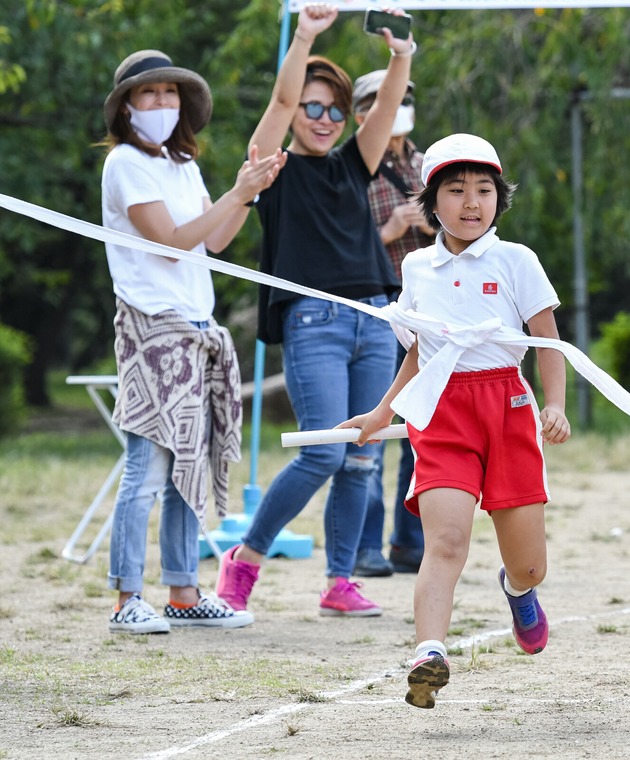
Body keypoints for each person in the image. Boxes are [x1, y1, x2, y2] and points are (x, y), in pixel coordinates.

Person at [340, 133, 571, 708]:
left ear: (499, 199)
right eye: (457, 190)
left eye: (484, 190)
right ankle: (428, 653)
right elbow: (422, 352)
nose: (472, 202)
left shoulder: (517, 260)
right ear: (431, 200)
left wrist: (555, 405)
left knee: (530, 565)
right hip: (442, 411)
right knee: (444, 541)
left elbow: (548, 341)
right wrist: (382, 412)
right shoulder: (418, 266)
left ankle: (518, 590)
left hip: (508, 408)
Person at [214, 4, 414, 617]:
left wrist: (401, 52)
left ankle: (338, 582)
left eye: (334, 110)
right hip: (314, 322)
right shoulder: (271, 169)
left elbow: (386, 107)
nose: (324, 119)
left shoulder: (356, 163)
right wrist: (304, 35)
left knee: (362, 458)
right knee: (324, 451)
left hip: (375, 319)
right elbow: (279, 103)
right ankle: (244, 559)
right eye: (313, 107)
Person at [100, 49, 284, 633]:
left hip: (198, 328)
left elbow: (217, 239)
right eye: (148, 93)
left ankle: (183, 592)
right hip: (152, 329)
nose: (161, 102)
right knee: (147, 468)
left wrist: (247, 192)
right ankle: (127, 597)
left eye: (169, 93)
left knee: (190, 465)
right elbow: (171, 242)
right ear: (126, 106)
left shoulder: (182, 165)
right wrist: (236, 193)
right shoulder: (124, 164)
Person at [349, 68, 433, 578]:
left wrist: (436, 226)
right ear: (363, 113)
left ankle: (410, 540)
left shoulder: (429, 166)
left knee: (422, 426)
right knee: (376, 425)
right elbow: (342, 248)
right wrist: (390, 229)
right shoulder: (353, 170)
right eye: (387, 101)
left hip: (431, 315)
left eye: (404, 99)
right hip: (380, 307)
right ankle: (365, 546)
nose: (398, 109)